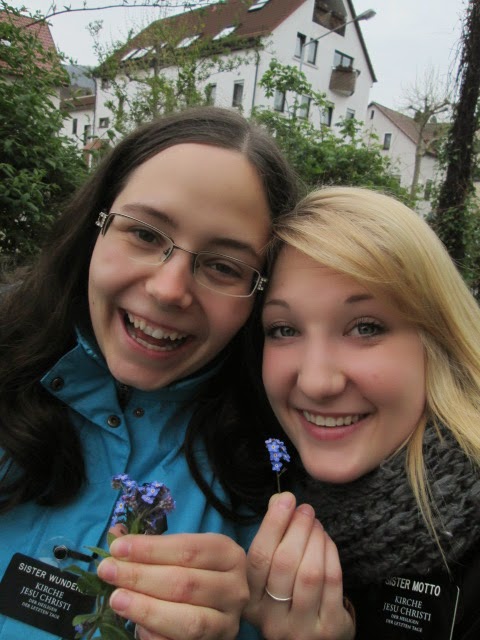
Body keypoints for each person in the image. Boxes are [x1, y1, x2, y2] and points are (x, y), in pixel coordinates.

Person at [0, 106, 299, 640]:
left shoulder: (280, 493)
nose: (168, 289)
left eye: (223, 267)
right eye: (143, 233)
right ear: (96, 226)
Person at [242, 187, 480, 639]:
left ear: (440, 340)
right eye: (284, 329)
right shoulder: (251, 493)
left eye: (365, 327)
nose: (316, 382)